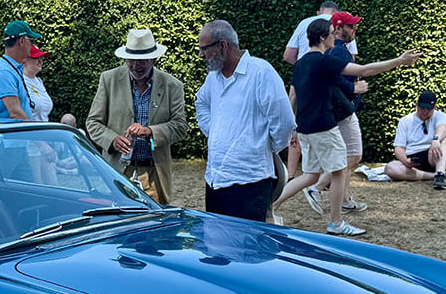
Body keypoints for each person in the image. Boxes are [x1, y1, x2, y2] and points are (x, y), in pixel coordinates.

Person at [305, 11, 414, 215]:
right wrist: (352, 89)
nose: (354, 30)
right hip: (343, 111)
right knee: (353, 156)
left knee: (348, 157)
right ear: (337, 30)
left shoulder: (335, 51)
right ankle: (317, 188)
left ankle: (343, 199)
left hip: (340, 110)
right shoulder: (336, 52)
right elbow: (353, 75)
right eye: (351, 26)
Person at [195, 20, 296, 222]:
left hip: (250, 182)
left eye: (204, 48)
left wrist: (263, 146)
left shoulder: (261, 73)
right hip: (215, 180)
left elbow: (284, 122)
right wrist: (214, 132)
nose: (200, 55)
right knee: (216, 246)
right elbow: (201, 104)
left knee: (248, 249)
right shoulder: (213, 78)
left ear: (223, 46)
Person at [86, 29, 189, 205]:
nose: (135, 65)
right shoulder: (109, 79)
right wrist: (112, 140)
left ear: (155, 60)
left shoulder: (172, 85)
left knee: (153, 223)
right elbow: (93, 122)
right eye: (131, 60)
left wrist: (150, 131)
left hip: (154, 174)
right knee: (117, 221)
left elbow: (180, 127)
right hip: (116, 171)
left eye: (142, 61)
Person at [281, 1, 341, 193]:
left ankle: (291, 176)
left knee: (297, 125)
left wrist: (302, 67)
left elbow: (289, 55)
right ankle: (325, 179)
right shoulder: (339, 24)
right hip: (321, 81)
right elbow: (353, 63)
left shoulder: (304, 23)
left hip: (301, 76)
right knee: (326, 130)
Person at [386, 90, 446, 189]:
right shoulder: (405, 121)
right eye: (422, 108)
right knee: (390, 168)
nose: (425, 111)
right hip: (412, 159)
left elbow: (442, 127)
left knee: (442, 142)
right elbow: (399, 148)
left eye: (428, 109)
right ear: (417, 105)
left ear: (435, 107)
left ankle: (440, 173)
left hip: (432, 154)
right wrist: (405, 161)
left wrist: (435, 140)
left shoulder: (440, 116)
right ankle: (438, 175)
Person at [0, 19, 42, 123]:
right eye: (31, 40)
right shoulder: (4, 72)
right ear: (22, 41)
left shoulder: (11, 68)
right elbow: (16, 113)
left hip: (15, 138)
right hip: (8, 139)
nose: (32, 46)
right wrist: (36, 136)